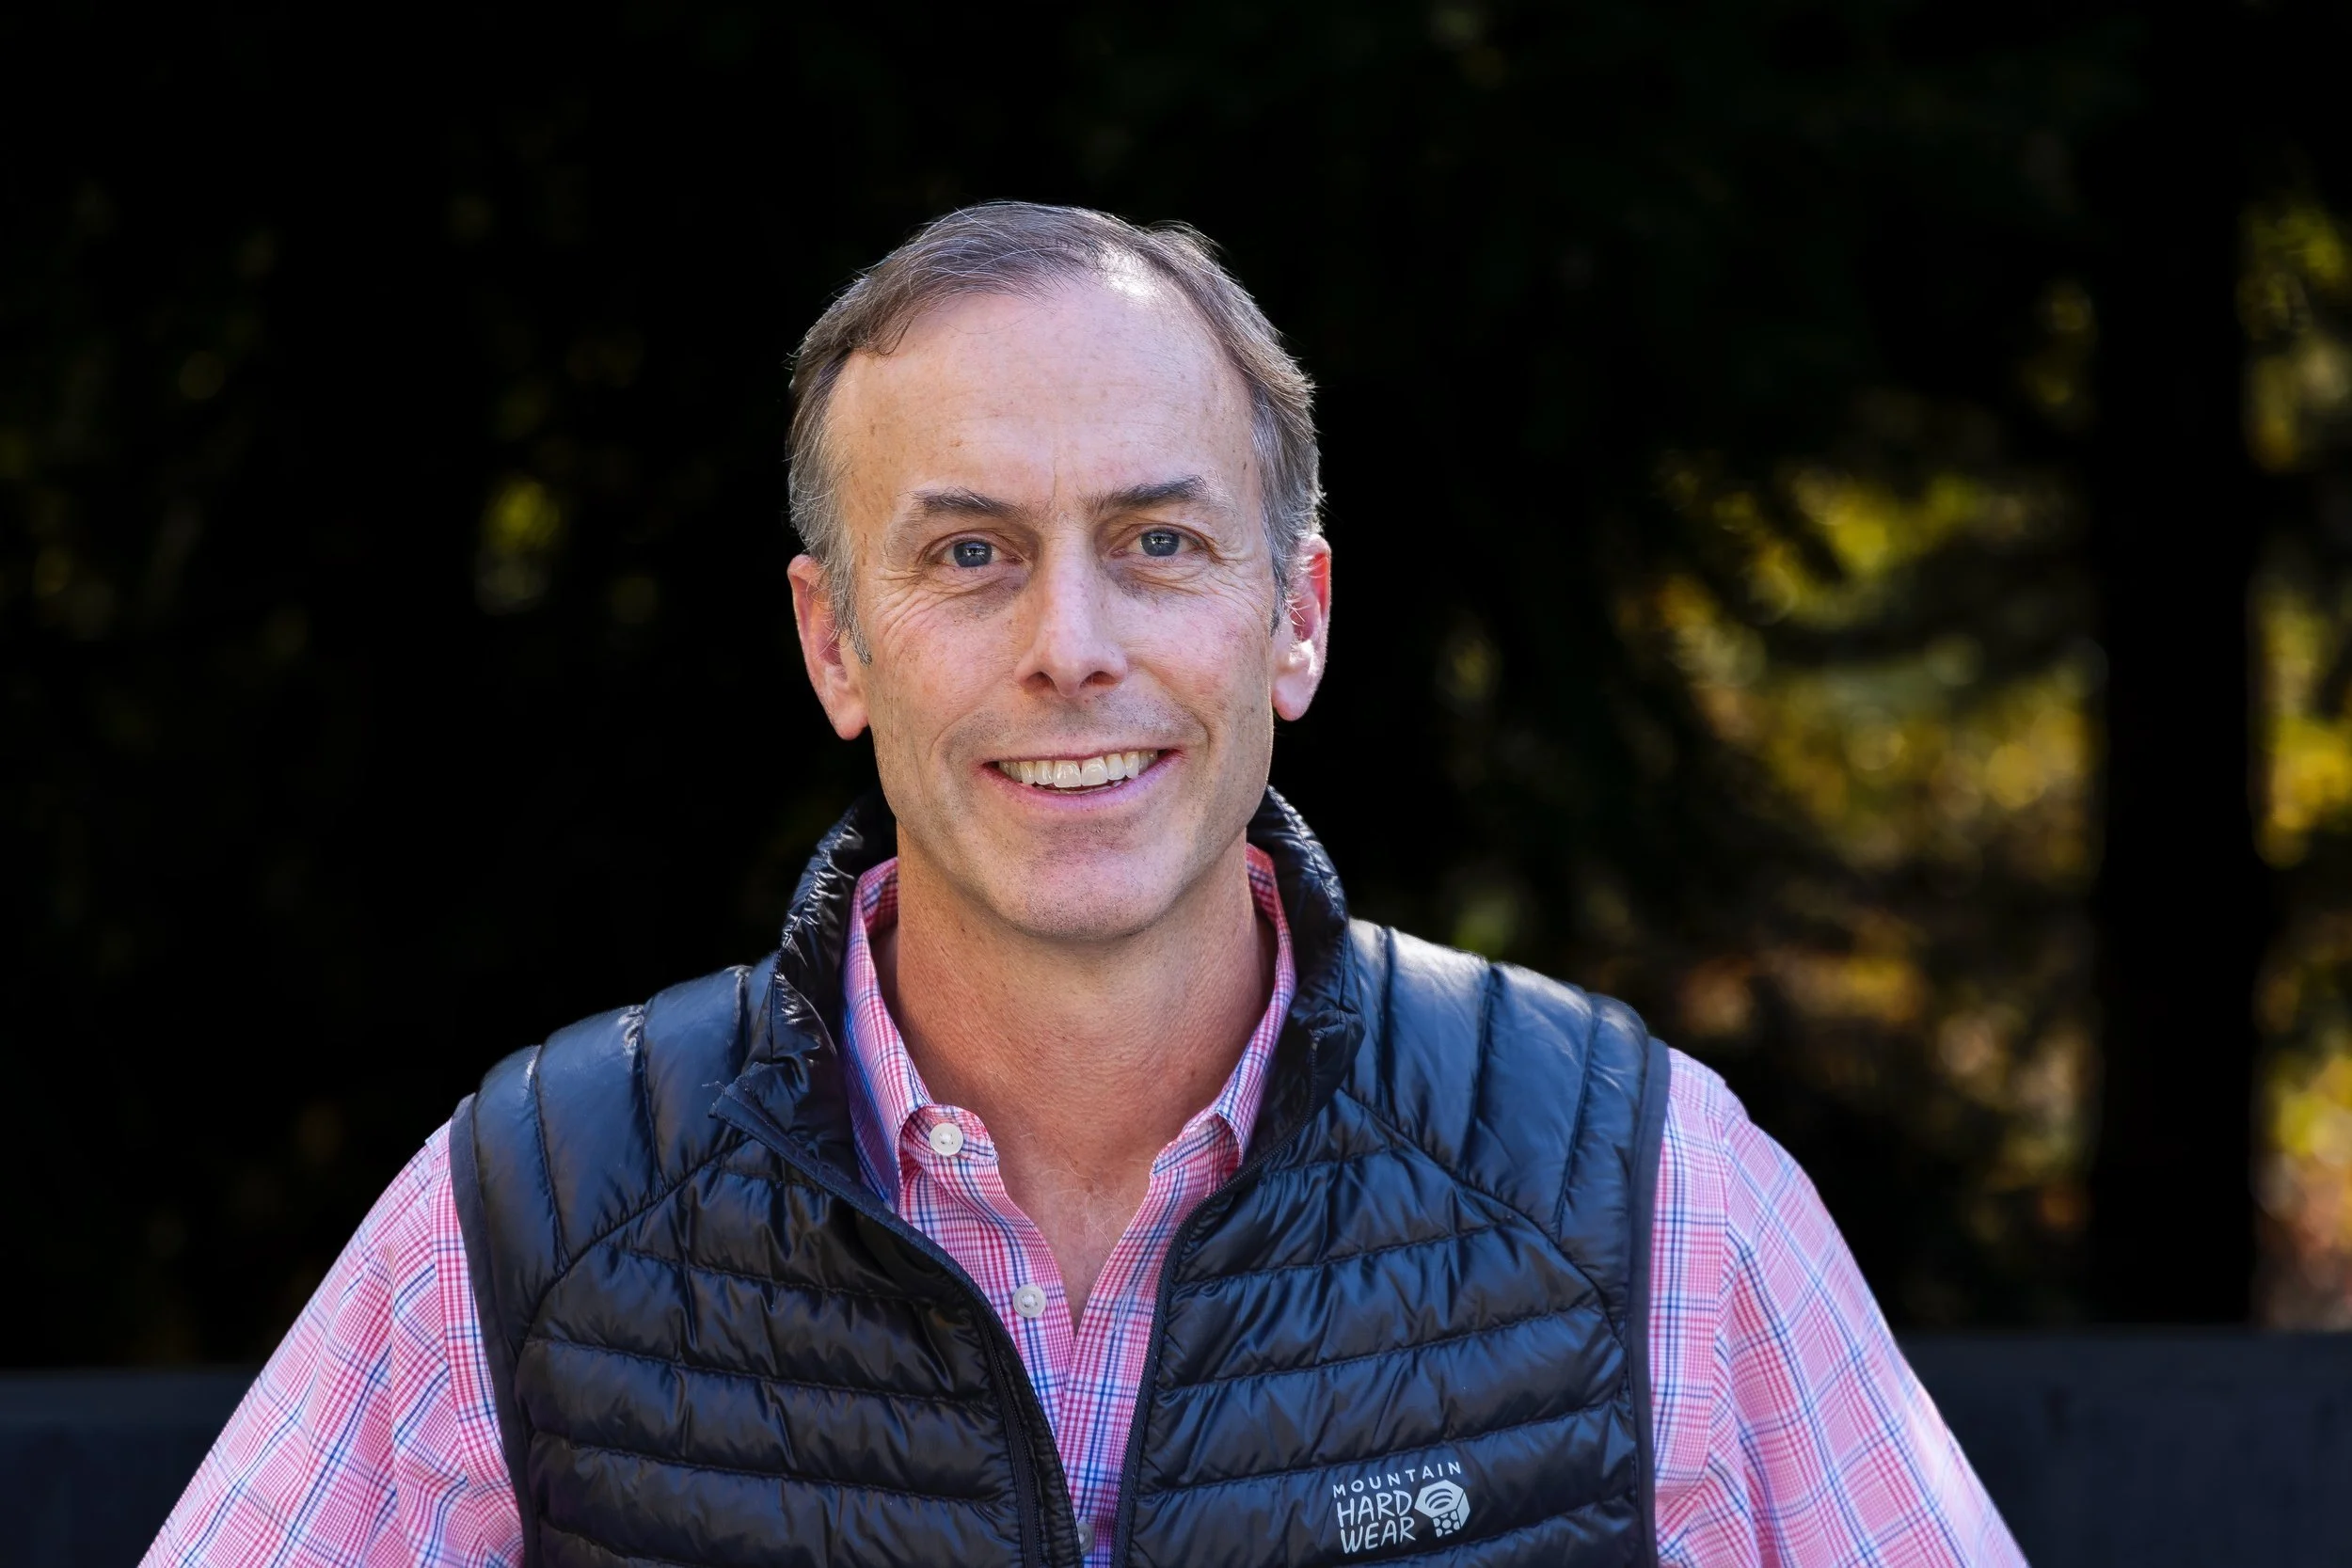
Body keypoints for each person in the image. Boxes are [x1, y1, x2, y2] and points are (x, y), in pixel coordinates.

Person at [148, 202, 2024, 1568]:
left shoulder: (1641, 1191)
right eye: (969, 551)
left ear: (1291, 615)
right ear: (833, 643)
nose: (1071, 643)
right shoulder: (532, 1218)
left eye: (1157, 540)